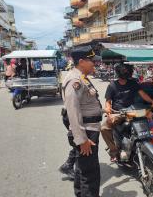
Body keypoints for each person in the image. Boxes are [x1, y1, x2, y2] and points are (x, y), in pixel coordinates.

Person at [62, 46, 103, 197]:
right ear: (81, 61)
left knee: (81, 169)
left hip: (89, 128)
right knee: (90, 174)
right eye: (91, 60)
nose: (94, 63)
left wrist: (103, 111)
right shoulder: (75, 79)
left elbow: (86, 103)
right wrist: (82, 139)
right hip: (86, 132)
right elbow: (72, 110)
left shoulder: (82, 77)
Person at [101, 63, 153, 162]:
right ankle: (114, 151)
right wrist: (110, 113)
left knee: (149, 114)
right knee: (103, 128)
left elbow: (143, 94)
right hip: (119, 113)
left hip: (132, 112)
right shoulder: (112, 85)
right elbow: (108, 102)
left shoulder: (132, 83)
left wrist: (152, 101)